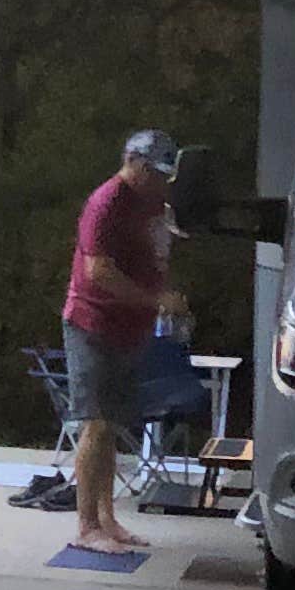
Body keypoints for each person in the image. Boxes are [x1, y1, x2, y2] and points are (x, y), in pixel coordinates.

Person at [62, 128, 188, 555]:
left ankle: (107, 519)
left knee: (111, 424)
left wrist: (165, 301)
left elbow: (156, 253)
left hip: (130, 329)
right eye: (154, 172)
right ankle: (85, 526)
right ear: (133, 162)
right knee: (94, 424)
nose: (161, 181)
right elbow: (99, 271)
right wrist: (155, 299)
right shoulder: (106, 203)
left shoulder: (152, 203)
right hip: (93, 325)